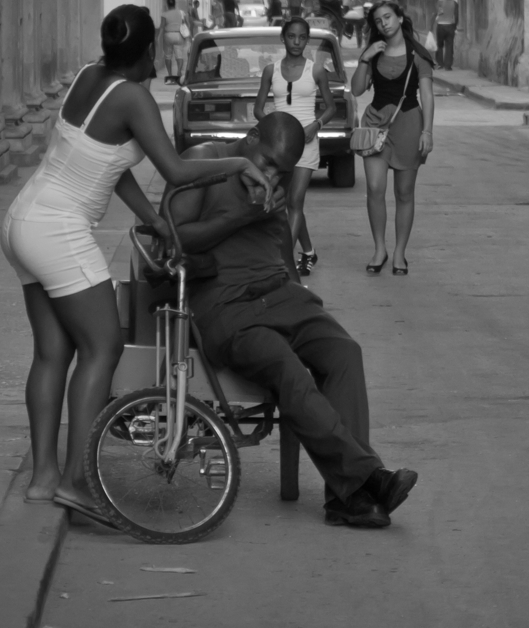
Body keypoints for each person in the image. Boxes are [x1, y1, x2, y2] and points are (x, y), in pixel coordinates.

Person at [0, 4, 272, 521]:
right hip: (57, 228)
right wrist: (240, 160)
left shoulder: (89, 77)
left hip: (24, 220)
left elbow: (109, 164)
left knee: (52, 353)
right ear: (149, 51)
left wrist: (156, 220)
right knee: (101, 346)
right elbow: (174, 168)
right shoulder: (134, 97)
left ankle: (44, 480)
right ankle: (79, 482)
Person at [168, 112, 420, 528]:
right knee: (287, 370)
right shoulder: (206, 159)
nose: (269, 176)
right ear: (249, 138)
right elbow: (172, 238)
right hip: (227, 308)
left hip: (280, 296)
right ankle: (364, 482)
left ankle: (346, 496)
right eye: (266, 163)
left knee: (344, 352)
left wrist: (302, 297)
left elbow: (282, 254)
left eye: (280, 172)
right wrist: (241, 216)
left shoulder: (275, 186)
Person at [351, 0, 435, 275]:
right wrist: (365, 57)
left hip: (408, 124)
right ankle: (379, 249)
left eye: (388, 17)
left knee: (404, 192)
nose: (384, 23)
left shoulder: (417, 55)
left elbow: (427, 95)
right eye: (378, 20)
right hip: (375, 124)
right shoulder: (373, 52)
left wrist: (427, 132)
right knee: (375, 188)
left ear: (400, 17)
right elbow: (357, 89)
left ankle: (399, 253)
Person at [254, 17, 339, 277]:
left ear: (307, 39)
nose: (297, 42)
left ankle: (284, 260)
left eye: (302, 37)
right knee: (288, 204)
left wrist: (317, 124)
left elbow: (332, 106)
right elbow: (258, 109)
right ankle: (309, 251)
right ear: (283, 37)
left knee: (295, 200)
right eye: (291, 36)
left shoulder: (316, 71)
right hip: (280, 147)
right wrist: (273, 127)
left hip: (308, 142)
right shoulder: (271, 70)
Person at [161, 0, 187, 84]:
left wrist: (159, 38)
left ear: (167, 4)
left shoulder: (164, 14)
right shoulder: (181, 12)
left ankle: (170, 75)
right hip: (179, 34)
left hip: (168, 35)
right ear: (175, 3)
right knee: (179, 56)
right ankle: (179, 72)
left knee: (168, 56)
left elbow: (162, 27)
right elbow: (186, 24)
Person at [434, 0, 459, 70]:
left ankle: (440, 64)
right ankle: (448, 66)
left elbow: (437, 13)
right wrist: (454, 27)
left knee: (440, 45)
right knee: (449, 46)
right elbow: (456, 16)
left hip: (440, 26)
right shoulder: (455, 3)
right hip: (450, 26)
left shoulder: (440, 3)